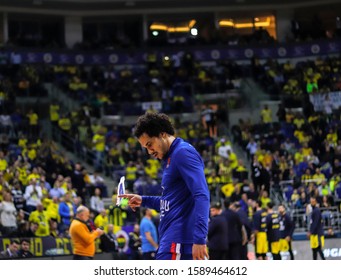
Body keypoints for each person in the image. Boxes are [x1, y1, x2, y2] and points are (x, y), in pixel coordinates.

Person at [119, 112, 210, 260]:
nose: (149, 152)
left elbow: (202, 195)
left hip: (179, 243)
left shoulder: (182, 153)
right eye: (145, 148)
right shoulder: (171, 156)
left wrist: (200, 238)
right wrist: (143, 200)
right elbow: (170, 203)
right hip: (172, 242)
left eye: (150, 145)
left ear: (162, 134)